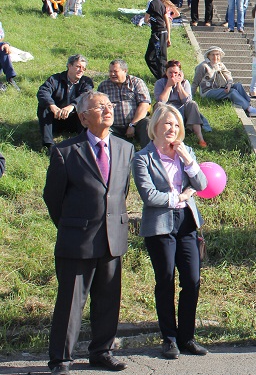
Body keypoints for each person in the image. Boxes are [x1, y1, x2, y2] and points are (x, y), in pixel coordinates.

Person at [44, 91, 135, 375]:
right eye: (100, 107)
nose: (108, 110)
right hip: (77, 240)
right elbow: (53, 199)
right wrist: (73, 225)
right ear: (83, 117)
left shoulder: (124, 148)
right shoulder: (66, 151)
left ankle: (102, 352)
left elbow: (122, 192)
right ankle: (61, 359)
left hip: (112, 236)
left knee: (108, 301)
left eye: (109, 105)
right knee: (71, 304)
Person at [133, 104, 208, 360]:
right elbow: (149, 195)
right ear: (155, 126)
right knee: (165, 281)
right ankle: (169, 338)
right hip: (160, 225)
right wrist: (180, 196)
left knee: (192, 280)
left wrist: (188, 160)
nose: (172, 129)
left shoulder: (184, 153)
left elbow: (202, 184)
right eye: (167, 124)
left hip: (186, 223)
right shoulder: (143, 157)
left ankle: (187, 336)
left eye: (176, 125)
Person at [192, 46, 256, 118]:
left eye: (217, 54)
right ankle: (249, 109)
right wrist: (192, 96)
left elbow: (228, 75)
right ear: (208, 55)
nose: (215, 57)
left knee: (238, 85)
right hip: (208, 91)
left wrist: (229, 84)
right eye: (213, 55)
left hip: (221, 87)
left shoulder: (220, 64)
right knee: (232, 92)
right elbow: (195, 82)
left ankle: (249, 106)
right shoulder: (203, 66)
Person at [37, 55, 94, 150]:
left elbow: (85, 95)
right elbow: (43, 92)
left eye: (83, 68)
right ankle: (49, 145)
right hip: (56, 118)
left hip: (75, 120)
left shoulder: (86, 81)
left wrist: (72, 106)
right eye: (78, 67)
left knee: (87, 107)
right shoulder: (55, 79)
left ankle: (84, 142)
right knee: (43, 107)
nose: (81, 70)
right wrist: (53, 106)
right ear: (69, 65)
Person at [98, 60, 151, 147]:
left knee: (147, 123)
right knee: (100, 127)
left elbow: (144, 105)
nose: (112, 74)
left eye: (115, 71)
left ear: (125, 71)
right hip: (114, 126)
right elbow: (99, 106)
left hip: (136, 124)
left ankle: (148, 152)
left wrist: (132, 125)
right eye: (110, 71)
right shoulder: (104, 86)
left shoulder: (136, 82)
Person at [154, 60, 207, 148]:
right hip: (166, 108)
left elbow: (187, 100)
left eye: (176, 73)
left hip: (181, 108)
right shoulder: (160, 83)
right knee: (159, 105)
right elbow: (161, 101)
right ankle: (159, 136)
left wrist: (179, 85)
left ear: (180, 73)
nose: (173, 75)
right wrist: (168, 86)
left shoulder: (185, 83)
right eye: (170, 72)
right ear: (166, 72)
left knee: (192, 104)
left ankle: (200, 138)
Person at [143, 0, 171, 79]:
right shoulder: (162, 4)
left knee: (154, 58)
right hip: (164, 32)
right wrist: (169, 36)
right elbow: (166, 20)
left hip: (156, 33)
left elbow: (146, 19)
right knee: (159, 57)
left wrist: (149, 21)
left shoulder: (151, 3)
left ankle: (163, 78)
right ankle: (161, 77)